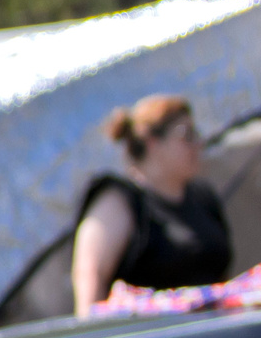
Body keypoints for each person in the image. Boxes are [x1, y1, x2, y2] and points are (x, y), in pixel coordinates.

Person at [71, 95, 231, 315]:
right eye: (187, 136)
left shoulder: (203, 198)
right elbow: (90, 275)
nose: (198, 144)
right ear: (153, 143)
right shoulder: (120, 201)